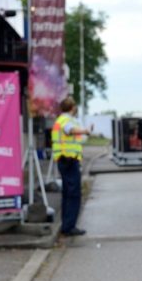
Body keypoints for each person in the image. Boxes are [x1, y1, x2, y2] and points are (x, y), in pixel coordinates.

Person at [51, 97, 92, 236]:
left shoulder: (62, 119)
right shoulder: (66, 120)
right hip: (68, 160)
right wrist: (85, 131)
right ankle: (69, 226)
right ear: (72, 107)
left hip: (65, 160)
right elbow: (70, 130)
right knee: (73, 194)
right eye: (75, 106)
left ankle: (67, 225)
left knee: (68, 193)